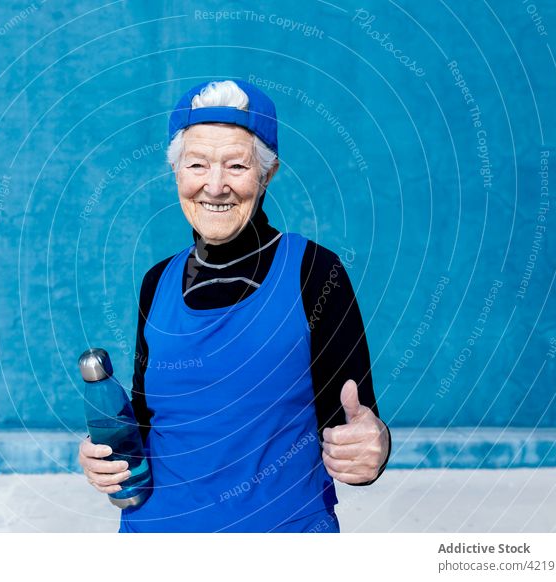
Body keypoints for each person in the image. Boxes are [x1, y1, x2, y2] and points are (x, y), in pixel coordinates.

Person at [78, 79, 391, 532]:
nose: (215, 185)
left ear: (268, 174)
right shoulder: (157, 282)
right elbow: (145, 423)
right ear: (178, 173)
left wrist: (374, 444)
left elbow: (354, 424)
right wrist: (101, 455)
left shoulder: (314, 273)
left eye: (237, 166)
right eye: (198, 164)